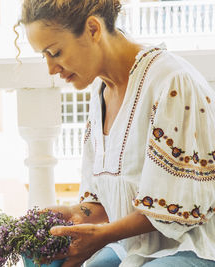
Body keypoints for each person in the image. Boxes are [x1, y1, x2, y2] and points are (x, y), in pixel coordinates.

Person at [15, 0, 215, 267]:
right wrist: (74, 214)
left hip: (194, 247)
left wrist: (102, 236)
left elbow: (177, 207)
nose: (51, 69)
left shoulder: (170, 81)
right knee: (42, 256)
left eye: (56, 52)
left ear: (93, 29)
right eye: (45, 56)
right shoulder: (101, 95)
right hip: (135, 247)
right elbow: (107, 201)